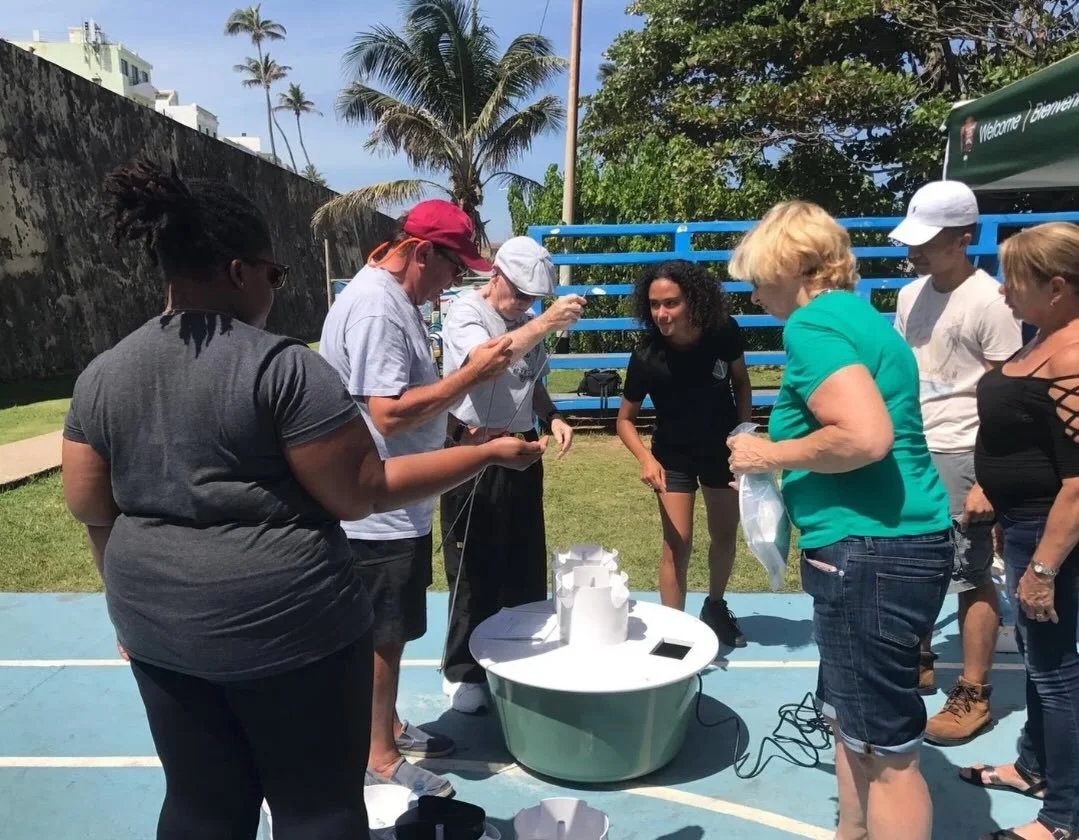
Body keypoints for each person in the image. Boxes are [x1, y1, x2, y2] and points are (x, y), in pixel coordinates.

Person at [61, 159, 545, 840]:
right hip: (290, 631)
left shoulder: (101, 375)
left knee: (201, 803)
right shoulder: (283, 368)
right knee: (317, 806)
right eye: (273, 274)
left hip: (156, 628)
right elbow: (359, 492)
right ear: (239, 271)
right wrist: (488, 454)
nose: (274, 290)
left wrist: (128, 601)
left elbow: (90, 505)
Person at [727, 201, 953, 840]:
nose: (754, 290)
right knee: (855, 725)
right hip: (900, 542)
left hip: (870, 550)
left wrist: (766, 452)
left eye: (758, 275)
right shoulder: (863, 319)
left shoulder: (814, 324)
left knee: (888, 751)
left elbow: (865, 435)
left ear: (794, 263)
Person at [318, 199, 517, 798]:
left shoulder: (389, 298)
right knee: (385, 633)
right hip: (377, 512)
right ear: (422, 252)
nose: (455, 284)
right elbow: (389, 412)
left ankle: (389, 727)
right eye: (454, 269)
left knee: (392, 631)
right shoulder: (379, 306)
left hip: (391, 501)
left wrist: (458, 432)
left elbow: (402, 399)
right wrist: (471, 378)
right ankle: (379, 754)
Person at [890, 180, 1022, 745]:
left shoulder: (991, 301)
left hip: (965, 451)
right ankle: (916, 654)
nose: (914, 250)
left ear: (964, 236)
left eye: (929, 239)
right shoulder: (909, 294)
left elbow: (1008, 394)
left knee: (969, 575)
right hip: (910, 447)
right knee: (904, 561)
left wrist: (987, 478)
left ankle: (974, 691)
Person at [959, 222, 1079, 840]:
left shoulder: (1073, 354)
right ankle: (1033, 767)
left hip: (1051, 536)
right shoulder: (1043, 339)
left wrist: (1044, 567)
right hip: (1022, 523)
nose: (1003, 290)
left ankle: (1063, 816)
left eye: (1015, 279)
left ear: (1057, 286)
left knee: (1058, 674)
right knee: (1038, 665)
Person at [438, 237, 586, 713]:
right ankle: (461, 670)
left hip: (521, 449)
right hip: (474, 450)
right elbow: (488, 361)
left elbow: (531, 381)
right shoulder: (466, 312)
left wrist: (554, 415)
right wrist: (544, 321)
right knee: (473, 565)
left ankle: (516, 655)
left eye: (531, 300)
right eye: (519, 294)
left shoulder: (526, 322)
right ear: (495, 274)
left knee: (523, 559)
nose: (523, 305)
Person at [615, 260, 752, 647]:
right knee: (677, 545)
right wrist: (646, 458)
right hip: (672, 457)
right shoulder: (646, 355)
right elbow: (625, 420)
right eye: (655, 304)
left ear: (693, 301)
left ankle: (715, 605)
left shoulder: (723, 331)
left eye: (671, 303)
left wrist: (743, 436)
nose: (661, 313)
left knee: (724, 535)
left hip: (722, 452)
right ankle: (674, 633)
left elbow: (741, 384)